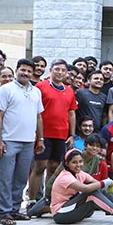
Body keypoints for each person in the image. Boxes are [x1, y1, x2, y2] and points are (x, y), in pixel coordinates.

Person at [0, 59, 45, 225]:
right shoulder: (5, 89)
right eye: (23, 70)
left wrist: (41, 139)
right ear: (17, 70)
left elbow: (39, 117)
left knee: (21, 178)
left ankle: (15, 210)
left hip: (29, 141)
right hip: (8, 140)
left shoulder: (35, 92)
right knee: (5, 178)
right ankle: (3, 212)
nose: (26, 74)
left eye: (29, 71)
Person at [49, 150, 113, 225]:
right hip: (61, 214)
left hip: (72, 207)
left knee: (99, 189)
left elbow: (98, 185)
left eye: (80, 161)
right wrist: (106, 182)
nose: (78, 165)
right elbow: (86, 189)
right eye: (74, 162)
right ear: (67, 164)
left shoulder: (80, 173)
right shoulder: (65, 177)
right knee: (91, 194)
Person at [31, 59, 78, 205]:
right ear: (50, 70)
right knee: (39, 166)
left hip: (61, 135)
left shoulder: (69, 91)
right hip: (43, 134)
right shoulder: (40, 86)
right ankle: (32, 200)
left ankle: (48, 200)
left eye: (63, 70)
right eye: (57, 69)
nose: (60, 73)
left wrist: (72, 134)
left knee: (54, 168)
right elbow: (34, 110)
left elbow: (71, 114)